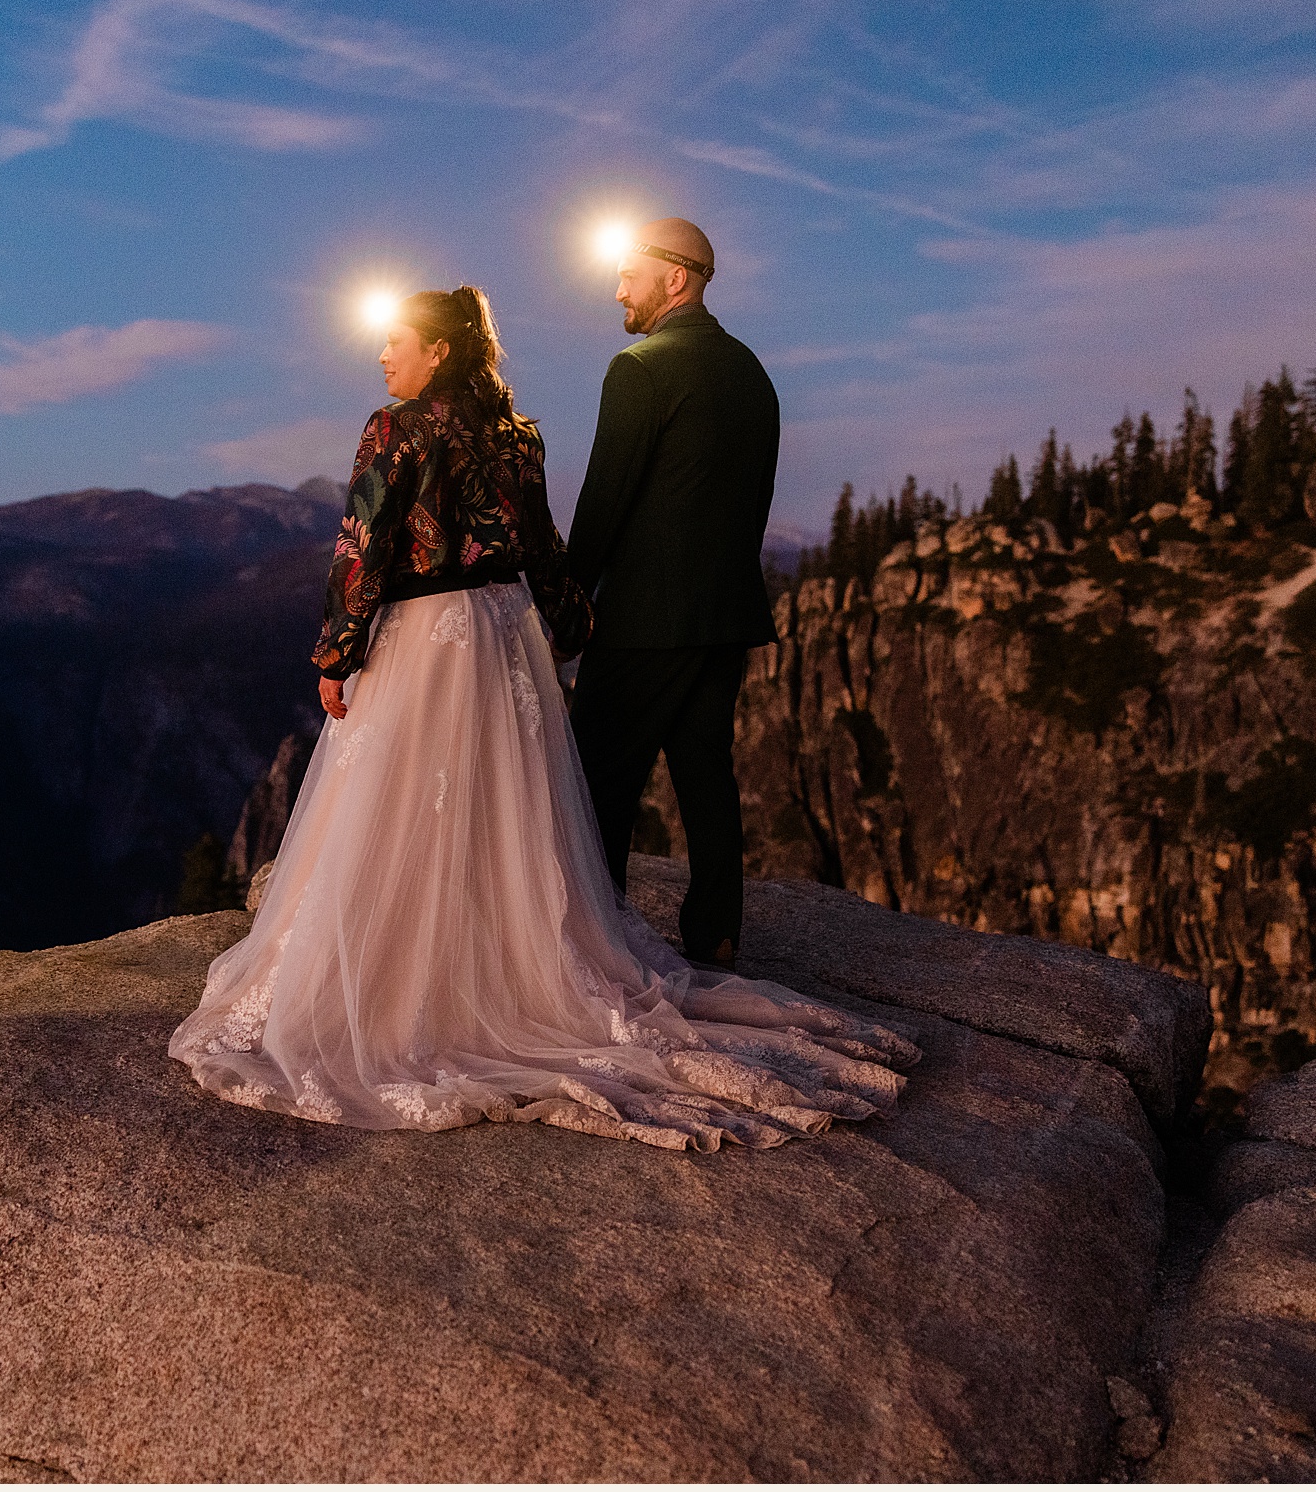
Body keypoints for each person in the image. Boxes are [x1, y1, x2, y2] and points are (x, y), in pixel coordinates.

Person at [168, 284, 916, 1152]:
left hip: (421, 640)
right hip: (495, 638)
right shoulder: (517, 437)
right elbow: (540, 544)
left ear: (438, 352)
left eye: (396, 343)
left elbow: (362, 545)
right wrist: (567, 620)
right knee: (497, 807)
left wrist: (337, 652)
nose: (384, 358)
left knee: (403, 800)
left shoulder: (395, 427)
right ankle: (504, 962)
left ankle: (413, 975)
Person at [566, 218, 775, 970]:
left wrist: (568, 602)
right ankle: (716, 933)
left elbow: (604, 500)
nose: (617, 288)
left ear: (675, 278)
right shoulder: (752, 372)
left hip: (643, 621)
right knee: (705, 775)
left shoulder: (640, 368)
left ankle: (594, 941)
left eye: (630, 273)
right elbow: (755, 504)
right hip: (724, 617)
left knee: (597, 781)